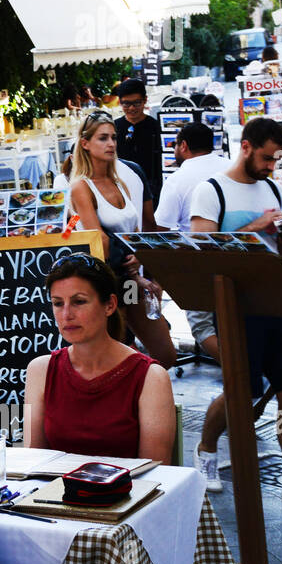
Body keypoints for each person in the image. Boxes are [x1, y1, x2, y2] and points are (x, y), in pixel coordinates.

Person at [189, 118, 282, 510]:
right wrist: (256, 226)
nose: (272, 167)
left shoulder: (271, 187)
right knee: (241, 391)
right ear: (247, 146)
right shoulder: (212, 190)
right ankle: (206, 450)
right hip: (237, 306)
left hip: (279, 300)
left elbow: (278, 254)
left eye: (277, 160)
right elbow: (201, 254)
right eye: (268, 158)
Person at [23, 254, 175, 462]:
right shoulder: (40, 370)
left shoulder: (150, 377)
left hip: (129, 493)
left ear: (110, 305)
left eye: (79, 302)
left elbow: (155, 472)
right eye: (58, 303)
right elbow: (34, 461)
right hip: (54, 493)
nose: (66, 314)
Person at [66, 109, 176, 369]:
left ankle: (141, 392)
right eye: (103, 138)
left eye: (113, 137)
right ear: (85, 144)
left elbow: (134, 232)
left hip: (129, 279)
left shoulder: (120, 182)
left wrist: (140, 262)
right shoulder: (81, 186)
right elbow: (99, 242)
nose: (111, 144)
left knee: (165, 354)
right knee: (114, 358)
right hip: (105, 283)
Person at [152, 123, 230, 360]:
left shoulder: (178, 179)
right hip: (237, 256)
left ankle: (242, 370)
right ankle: (244, 367)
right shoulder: (231, 168)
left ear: (183, 146)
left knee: (202, 328)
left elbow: (160, 229)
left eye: (175, 144)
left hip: (199, 261)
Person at [114, 78, 164, 206]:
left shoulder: (156, 127)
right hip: (122, 189)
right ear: (119, 102)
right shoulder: (114, 128)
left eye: (136, 103)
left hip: (152, 190)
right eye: (126, 104)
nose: (131, 108)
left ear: (145, 100)